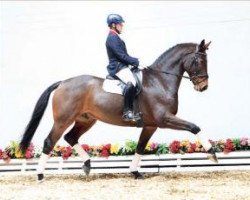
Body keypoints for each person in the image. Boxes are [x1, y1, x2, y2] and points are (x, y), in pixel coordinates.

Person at [105, 14, 141, 122]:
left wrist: (133, 62)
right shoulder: (112, 37)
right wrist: (134, 61)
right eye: (120, 24)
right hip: (117, 67)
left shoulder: (116, 36)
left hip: (122, 65)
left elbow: (123, 55)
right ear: (113, 25)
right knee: (131, 83)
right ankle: (127, 112)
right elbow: (121, 55)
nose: (122, 26)